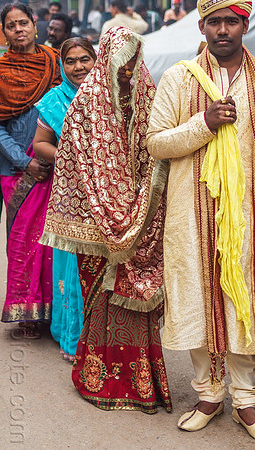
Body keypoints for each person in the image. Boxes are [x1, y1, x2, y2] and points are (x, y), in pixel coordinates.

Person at [147, 0, 255, 443]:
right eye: (214, 21)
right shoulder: (177, 78)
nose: (223, 30)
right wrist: (203, 123)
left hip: (251, 217)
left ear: (245, 25)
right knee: (195, 300)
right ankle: (208, 394)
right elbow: (155, 144)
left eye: (232, 21)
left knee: (243, 304)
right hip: (190, 216)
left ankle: (247, 403)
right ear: (202, 26)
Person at [40, 26, 172, 413]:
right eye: (119, 63)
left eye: (132, 62)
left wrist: (140, 212)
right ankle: (98, 380)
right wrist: (117, 212)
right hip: (100, 225)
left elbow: (158, 155)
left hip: (144, 222)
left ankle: (143, 383)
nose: (127, 71)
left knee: (140, 307)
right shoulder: (84, 106)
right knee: (103, 304)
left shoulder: (151, 101)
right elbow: (79, 165)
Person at [33, 38, 96, 360]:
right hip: (70, 195)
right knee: (70, 264)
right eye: (70, 61)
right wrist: (70, 156)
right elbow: (40, 143)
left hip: (104, 198)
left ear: (95, 60)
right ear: (62, 65)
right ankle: (71, 337)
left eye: (85, 59)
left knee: (99, 266)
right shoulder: (54, 101)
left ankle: (100, 340)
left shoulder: (107, 97)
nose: (78, 67)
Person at [0, 2, 61, 338]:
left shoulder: (54, 62)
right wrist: (26, 162)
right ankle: (26, 311)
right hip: (16, 169)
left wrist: (48, 157)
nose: (19, 29)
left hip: (52, 163)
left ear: (35, 24)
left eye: (23, 22)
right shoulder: (1, 70)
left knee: (51, 243)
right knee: (22, 242)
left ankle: (53, 311)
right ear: (4, 31)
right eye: (11, 25)